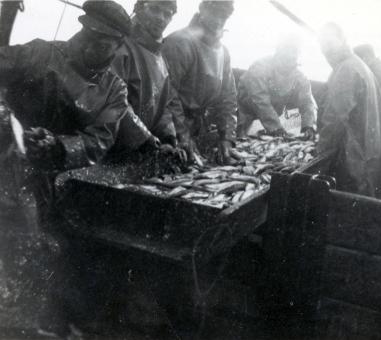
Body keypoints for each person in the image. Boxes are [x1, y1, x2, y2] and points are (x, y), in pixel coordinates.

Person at [0, 1, 150, 336]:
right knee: (18, 261)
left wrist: (58, 147)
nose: (85, 46)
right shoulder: (39, 53)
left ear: (117, 47)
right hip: (9, 174)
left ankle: (54, 325)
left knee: (61, 259)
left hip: (63, 183)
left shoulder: (113, 89)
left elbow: (98, 139)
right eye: (86, 35)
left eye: (101, 44)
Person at [317, 23, 381, 202]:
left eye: (330, 42)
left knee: (354, 204)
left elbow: (334, 119)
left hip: (357, 157)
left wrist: (319, 154)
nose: (326, 48)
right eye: (322, 44)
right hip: (368, 151)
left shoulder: (347, 69)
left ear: (343, 39)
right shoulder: (357, 65)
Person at [162, 0, 240, 165]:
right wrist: (182, 135)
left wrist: (227, 138)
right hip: (169, 130)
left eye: (224, 16)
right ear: (202, 9)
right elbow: (167, 95)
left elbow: (228, 97)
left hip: (199, 128)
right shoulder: (179, 42)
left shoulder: (223, 52)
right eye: (214, 13)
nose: (218, 20)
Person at [112, 0, 186, 159]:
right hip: (112, 148)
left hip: (142, 148)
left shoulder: (160, 55)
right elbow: (115, 103)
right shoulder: (119, 47)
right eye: (155, 9)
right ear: (138, 8)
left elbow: (162, 104)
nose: (161, 18)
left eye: (168, 14)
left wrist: (168, 138)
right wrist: (145, 139)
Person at [237, 34, 317, 139]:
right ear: (278, 50)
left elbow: (308, 103)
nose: (291, 55)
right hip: (244, 117)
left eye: (295, 51)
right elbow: (260, 101)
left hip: (271, 121)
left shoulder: (300, 77)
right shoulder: (260, 68)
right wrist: (276, 128)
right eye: (287, 49)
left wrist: (308, 126)